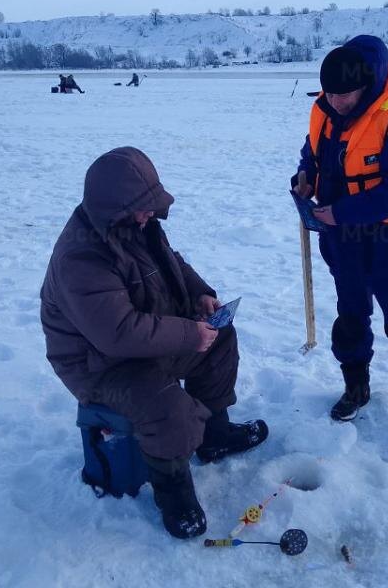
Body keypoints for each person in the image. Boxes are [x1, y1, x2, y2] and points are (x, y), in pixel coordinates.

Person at [40, 147, 268, 539]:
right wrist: (188, 334)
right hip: (100, 366)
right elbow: (119, 333)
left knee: (220, 339)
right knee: (168, 407)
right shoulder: (80, 258)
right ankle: (174, 492)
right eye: (143, 207)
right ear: (115, 206)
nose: (151, 214)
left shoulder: (133, 224)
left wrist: (200, 294)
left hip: (141, 344)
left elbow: (173, 262)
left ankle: (214, 436)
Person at [292, 35, 388, 447]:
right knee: (351, 313)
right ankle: (356, 385)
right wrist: (303, 179)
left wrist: (340, 212)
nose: (337, 102)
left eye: (345, 94)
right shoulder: (324, 109)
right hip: (342, 238)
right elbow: (311, 153)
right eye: (331, 93)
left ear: (368, 83)